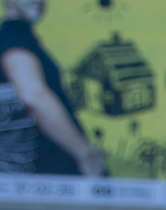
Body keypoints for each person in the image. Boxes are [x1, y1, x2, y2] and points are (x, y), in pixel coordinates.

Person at [0, 0, 104, 176]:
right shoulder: (14, 37)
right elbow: (34, 96)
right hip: (52, 181)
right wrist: (85, 154)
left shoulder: (19, 36)